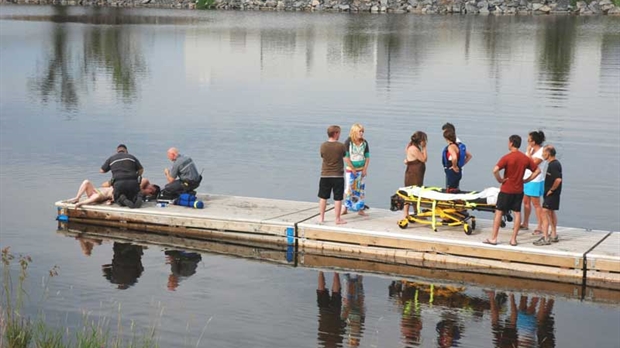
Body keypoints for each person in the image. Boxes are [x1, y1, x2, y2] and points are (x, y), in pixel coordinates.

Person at [484, 135, 540, 246]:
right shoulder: (525, 158)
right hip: (519, 190)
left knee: (499, 212)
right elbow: (537, 170)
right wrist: (527, 180)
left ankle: (494, 238)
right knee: (517, 213)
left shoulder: (507, 157)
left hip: (506, 189)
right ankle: (513, 240)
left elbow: (495, 170)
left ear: (511, 143)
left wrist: (500, 179)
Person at [534, 145, 563, 246]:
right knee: (550, 212)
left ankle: (546, 237)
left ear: (548, 154)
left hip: (552, 194)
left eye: (544, 153)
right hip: (552, 194)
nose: (542, 155)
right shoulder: (554, 163)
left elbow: (558, 179)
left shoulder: (553, 165)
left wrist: (551, 190)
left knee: (544, 212)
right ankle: (554, 235)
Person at [318, 125, 347, 225]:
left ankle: (321, 217)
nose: (339, 135)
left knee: (323, 197)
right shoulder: (341, 146)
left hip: (325, 175)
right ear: (335, 133)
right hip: (338, 175)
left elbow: (322, 156)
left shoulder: (323, 145)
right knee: (338, 198)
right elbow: (344, 155)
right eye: (339, 133)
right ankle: (337, 219)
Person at [100, 144, 144, 208]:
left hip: (119, 183)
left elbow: (102, 170)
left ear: (117, 151)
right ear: (126, 150)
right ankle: (138, 196)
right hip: (133, 182)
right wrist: (136, 175)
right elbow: (141, 169)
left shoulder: (111, 158)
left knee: (116, 197)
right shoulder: (132, 157)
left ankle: (122, 199)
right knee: (133, 194)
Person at [521, 131, 547, 234]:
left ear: (534, 141)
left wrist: (527, 153)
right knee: (526, 202)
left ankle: (540, 226)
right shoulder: (530, 150)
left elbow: (532, 164)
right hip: (526, 178)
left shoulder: (542, 152)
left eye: (529, 140)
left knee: (536, 204)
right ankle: (525, 223)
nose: (527, 141)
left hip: (536, 180)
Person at [343, 123, 370, 216]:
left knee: (361, 189)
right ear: (354, 132)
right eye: (360, 131)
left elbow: (367, 157)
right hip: (351, 170)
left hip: (361, 169)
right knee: (349, 188)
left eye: (362, 131)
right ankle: (346, 207)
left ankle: (360, 209)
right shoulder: (348, 142)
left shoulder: (364, 143)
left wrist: (365, 169)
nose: (361, 133)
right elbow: (346, 157)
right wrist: (352, 168)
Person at [316, 271, 346, 347]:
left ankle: (336, 272)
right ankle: (321, 271)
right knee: (321, 292)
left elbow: (342, 329)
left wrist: (343, 322)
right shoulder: (322, 340)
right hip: (324, 316)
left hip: (335, 317)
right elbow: (320, 330)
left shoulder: (337, 342)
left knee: (336, 294)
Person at [403, 131, 428, 221]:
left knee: (416, 192)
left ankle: (417, 211)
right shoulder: (414, 148)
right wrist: (424, 148)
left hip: (417, 174)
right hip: (413, 174)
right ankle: (406, 213)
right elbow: (424, 159)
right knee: (410, 192)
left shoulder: (413, 146)